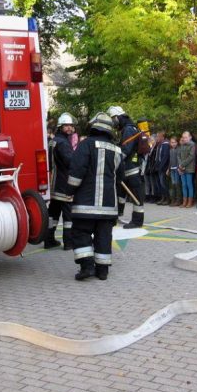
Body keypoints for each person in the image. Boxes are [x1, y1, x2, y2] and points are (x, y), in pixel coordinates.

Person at [66, 112, 123, 281]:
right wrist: (119, 206)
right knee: (104, 236)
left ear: (94, 126)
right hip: (108, 207)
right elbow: (120, 180)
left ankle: (87, 267)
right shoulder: (117, 150)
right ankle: (102, 270)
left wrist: (70, 191)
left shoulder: (86, 145)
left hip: (85, 204)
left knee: (80, 232)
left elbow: (77, 171)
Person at [107, 106, 145, 228]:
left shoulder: (129, 129)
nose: (113, 121)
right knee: (121, 194)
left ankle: (137, 221)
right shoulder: (126, 129)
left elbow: (125, 150)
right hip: (126, 169)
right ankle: (117, 215)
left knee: (136, 195)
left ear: (119, 117)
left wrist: (113, 161)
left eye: (113, 118)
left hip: (132, 169)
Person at [45, 112, 77, 250]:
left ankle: (49, 239)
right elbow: (70, 162)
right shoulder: (63, 142)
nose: (69, 128)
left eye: (71, 125)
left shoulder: (54, 140)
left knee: (53, 214)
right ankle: (68, 243)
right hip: (64, 183)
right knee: (68, 215)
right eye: (66, 125)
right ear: (60, 126)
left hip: (54, 184)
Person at [177, 131, 197, 208]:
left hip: (189, 168)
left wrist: (182, 164)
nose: (184, 139)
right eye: (183, 137)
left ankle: (190, 201)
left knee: (189, 185)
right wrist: (180, 165)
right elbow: (178, 155)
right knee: (184, 185)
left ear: (190, 137)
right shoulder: (182, 145)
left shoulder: (192, 145)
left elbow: (191, 156)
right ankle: (184, 201)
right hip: (182, 168)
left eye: (186, 137)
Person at [153, 131, 171, 205]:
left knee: (163, 183)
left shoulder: (165, 144)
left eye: (158, 136)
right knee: (160, 184)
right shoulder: (159, 144)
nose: (157, 138)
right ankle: (162, 198)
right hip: (158, 167)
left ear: (162, 137)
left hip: (163, 167)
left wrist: (161, 166)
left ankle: (167, 198)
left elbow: (165, 157)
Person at [167, 136, 182, 206]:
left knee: (177, 184)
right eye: (172, 142)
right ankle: (173, 199)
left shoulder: (178, 149)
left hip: (177, 169)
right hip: (172, 169)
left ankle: (178, 200)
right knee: (173, 184)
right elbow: (170, 161)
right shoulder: (170, 150)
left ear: (177, 142)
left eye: (174, 142)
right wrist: (168, 169)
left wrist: (179, 167)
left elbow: (179, 159)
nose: (173, 144)